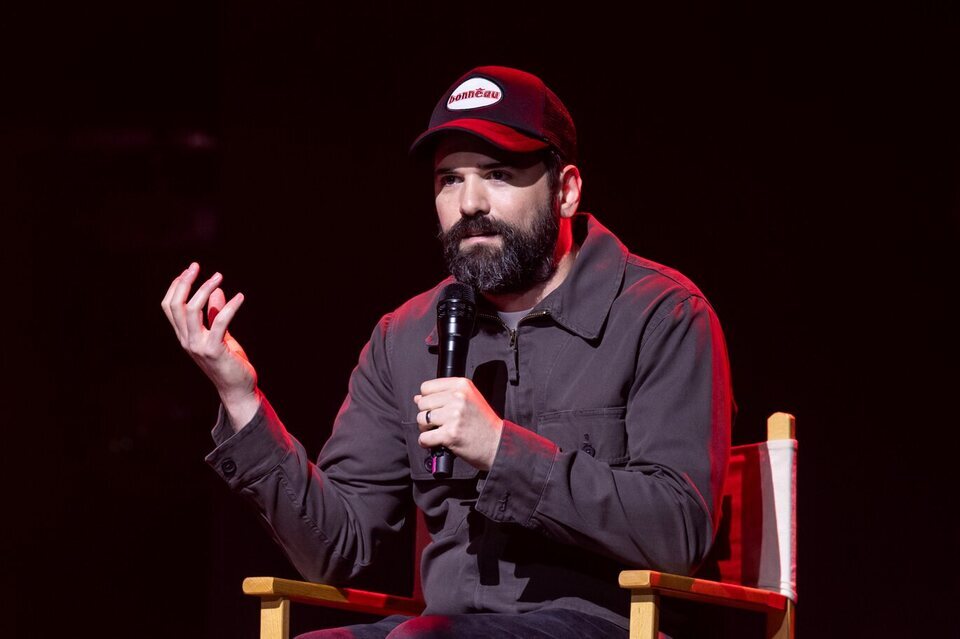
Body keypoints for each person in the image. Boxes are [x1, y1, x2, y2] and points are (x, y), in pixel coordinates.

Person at [161, 66, 734, 639]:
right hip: (446, 628)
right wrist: (240, 398)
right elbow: (335, 548)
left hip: (605, 625)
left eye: (499, 174)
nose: (469, 203)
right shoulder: (406, 336)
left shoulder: (659, 314)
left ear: (565, 191)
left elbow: (678, 531)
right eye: (450, 179)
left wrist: (501, 450)